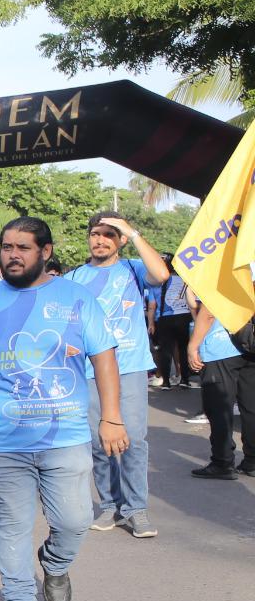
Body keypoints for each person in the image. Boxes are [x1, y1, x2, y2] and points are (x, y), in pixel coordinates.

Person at [0, 217, 128, 601]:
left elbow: (104, 358)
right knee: (11, 523)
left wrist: (111, 416)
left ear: (45, 251)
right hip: (2, 439)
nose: (13, 254)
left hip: (64, 436)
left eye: (23, 247)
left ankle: (56, 563)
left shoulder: (76, 298)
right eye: (7, 246)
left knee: (76, 519)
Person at [69, 213, 170, 539]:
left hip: (128, 366)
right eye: (95, 234)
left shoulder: (132, 268)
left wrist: (133, 232)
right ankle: (111, 504)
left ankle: (136, 509)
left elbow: (161, 273)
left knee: (134, 438)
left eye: (109, 235)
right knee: (99, 442)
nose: (100, 240)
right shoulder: (75, 278)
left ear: (121, 240)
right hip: (87, 371)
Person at [187, 282, 255, 479]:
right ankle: (251, 461)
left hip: (221, 347)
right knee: (251, 407)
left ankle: (222, 462)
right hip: (250, 345)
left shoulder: (220, 273)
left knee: (219, 408)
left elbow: (208, 312)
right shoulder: (247, 268)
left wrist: (193, 345)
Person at [153, 258, 195, 388]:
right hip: (184, 316)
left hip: (165, 317)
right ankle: (185, 380)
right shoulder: (185, 280)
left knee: (166, 350)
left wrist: (151, 322)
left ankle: (166, 382)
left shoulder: (159, 282)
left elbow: (152, 304)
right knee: (183, 348)